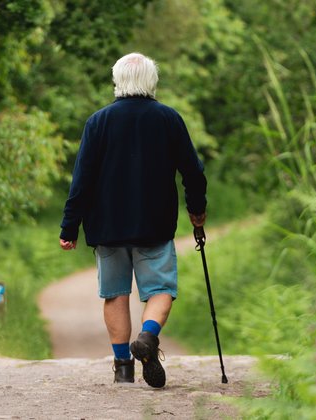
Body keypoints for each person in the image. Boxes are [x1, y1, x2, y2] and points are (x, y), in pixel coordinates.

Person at [58, 52, 207, 388]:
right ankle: (148, 337)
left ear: (117, 81)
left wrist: (69, 227)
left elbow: (81, 180)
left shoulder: (98, 121)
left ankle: (123, 367)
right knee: (161, 290)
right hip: (154, 225)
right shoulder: (168, 119)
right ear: (151, 82)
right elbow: (193, 173)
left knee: (115, 294)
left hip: (107, 227)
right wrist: (197, 210)